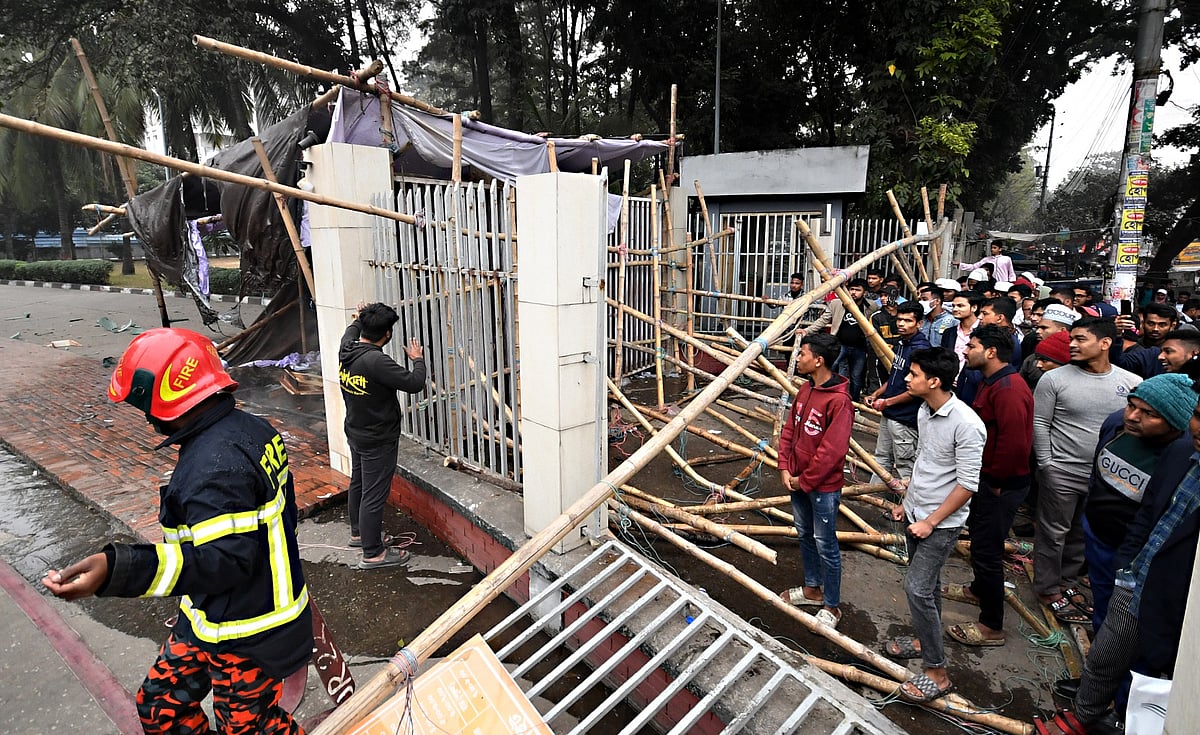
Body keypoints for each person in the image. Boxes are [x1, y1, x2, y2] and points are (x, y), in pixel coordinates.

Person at [43, 328, 312, 734]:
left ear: (165, 399)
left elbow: (225, 562)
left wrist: (116, 569)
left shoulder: (213, 467)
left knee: (250, 729)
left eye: (142, 405)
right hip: (207, 615)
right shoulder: (252, 431)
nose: (145, 417)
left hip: (250, 630)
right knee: (159, 706)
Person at [1072, 378, 1200, 732]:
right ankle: (1092, 702)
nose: (1132, 417)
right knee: (1105, 642)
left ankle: (1125, 713)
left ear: (1173, 421)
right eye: (1132, 406)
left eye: (1148, 414)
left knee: (1144, 663)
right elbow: (1148, 515)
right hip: (1123, 564)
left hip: (1168, 595)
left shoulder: (1175, 449)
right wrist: (1124, 564)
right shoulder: (1173, 452)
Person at [883, 347, 986, 703]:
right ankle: (924, 639)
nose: (907, 379)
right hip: (917, 512)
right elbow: (925, 461)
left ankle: (937, 671)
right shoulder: (926, 411)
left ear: (935, 381)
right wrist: (906, 503)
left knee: (917, 588)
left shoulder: (968, 425)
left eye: (913, 374)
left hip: (939, 523)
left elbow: (968, 484)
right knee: (928, 585)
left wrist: (931, 521)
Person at [1032, 317, 1142, 624]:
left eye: (1081, 339)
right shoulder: (1054, 380)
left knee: (1083, 533)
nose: (1072, 345)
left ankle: (1067, 581)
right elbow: (1040, 423)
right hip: (1061, 471)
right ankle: (1047, 588)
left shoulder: (1131, 383)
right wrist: (1046, 464)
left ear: (1105, 343)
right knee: (1053, 531)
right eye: (1072, 339)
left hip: (1105, 477)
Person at [943, 325, 1034, 648]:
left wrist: (996, 483)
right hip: (989, 479)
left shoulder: (1008, 389)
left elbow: (1015, 444)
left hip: (1001, 484)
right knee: (981, 543)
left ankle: (991, 625)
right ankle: (978, 590)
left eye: (973, 345)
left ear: (991, 352)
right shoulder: (991, 382)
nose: (966, 351)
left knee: (987, 550)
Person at [340, 302, 427, 570]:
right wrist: (418, 359)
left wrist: (360, 317)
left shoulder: (347, 348)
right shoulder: (376, 361)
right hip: (378, 438)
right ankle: (373, 552)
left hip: (356, 430)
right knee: (374, 494)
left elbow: (351, 329)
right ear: (387, 334)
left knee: (359, 483)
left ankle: (359, 533)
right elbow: (414, 383)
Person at [777, 333, 854, 630]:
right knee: (804, 534)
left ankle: (832, 606)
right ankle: (812, 589)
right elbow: (789, 432)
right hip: (796, 480)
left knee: (826, 543)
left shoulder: (840, 402)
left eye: (802, 354)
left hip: (822, 487)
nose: (797, 358)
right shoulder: (804, 391)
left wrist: (804, 481)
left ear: (818, 360)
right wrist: (784, 466)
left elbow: (832, 452)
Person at [868, 301, 931, 485]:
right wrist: (878, 393)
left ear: (919, 323)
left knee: (905, 464)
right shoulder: (902, 343)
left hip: (904, 416)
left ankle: (906, 508)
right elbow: (896, 374)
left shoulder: (921, 349)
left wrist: (887, 402)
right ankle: (873, 498)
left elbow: (918, 390)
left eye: (908, 321)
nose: (902, 324)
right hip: (890, 412)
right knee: (881, 457)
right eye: (900, 320)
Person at [803, 278, 879, 401]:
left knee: (856, 376)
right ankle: (824, 396)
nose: (853, 292)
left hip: (860, 347)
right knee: (830, 369)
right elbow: (823, 320)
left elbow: (877, 321)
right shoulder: (836, 303)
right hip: (839, 345)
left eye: (858, 290)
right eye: (851, 289)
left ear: (864, 292)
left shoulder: (871, 306)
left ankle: (853, 402)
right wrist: (806, 331)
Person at [1117, 303, 1179, 378]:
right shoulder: (1132, 347)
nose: (1155, 329)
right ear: (1143, 324)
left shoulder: (1177, 352)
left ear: (1172, 326)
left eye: (1162, 325)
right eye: (1151, 324)